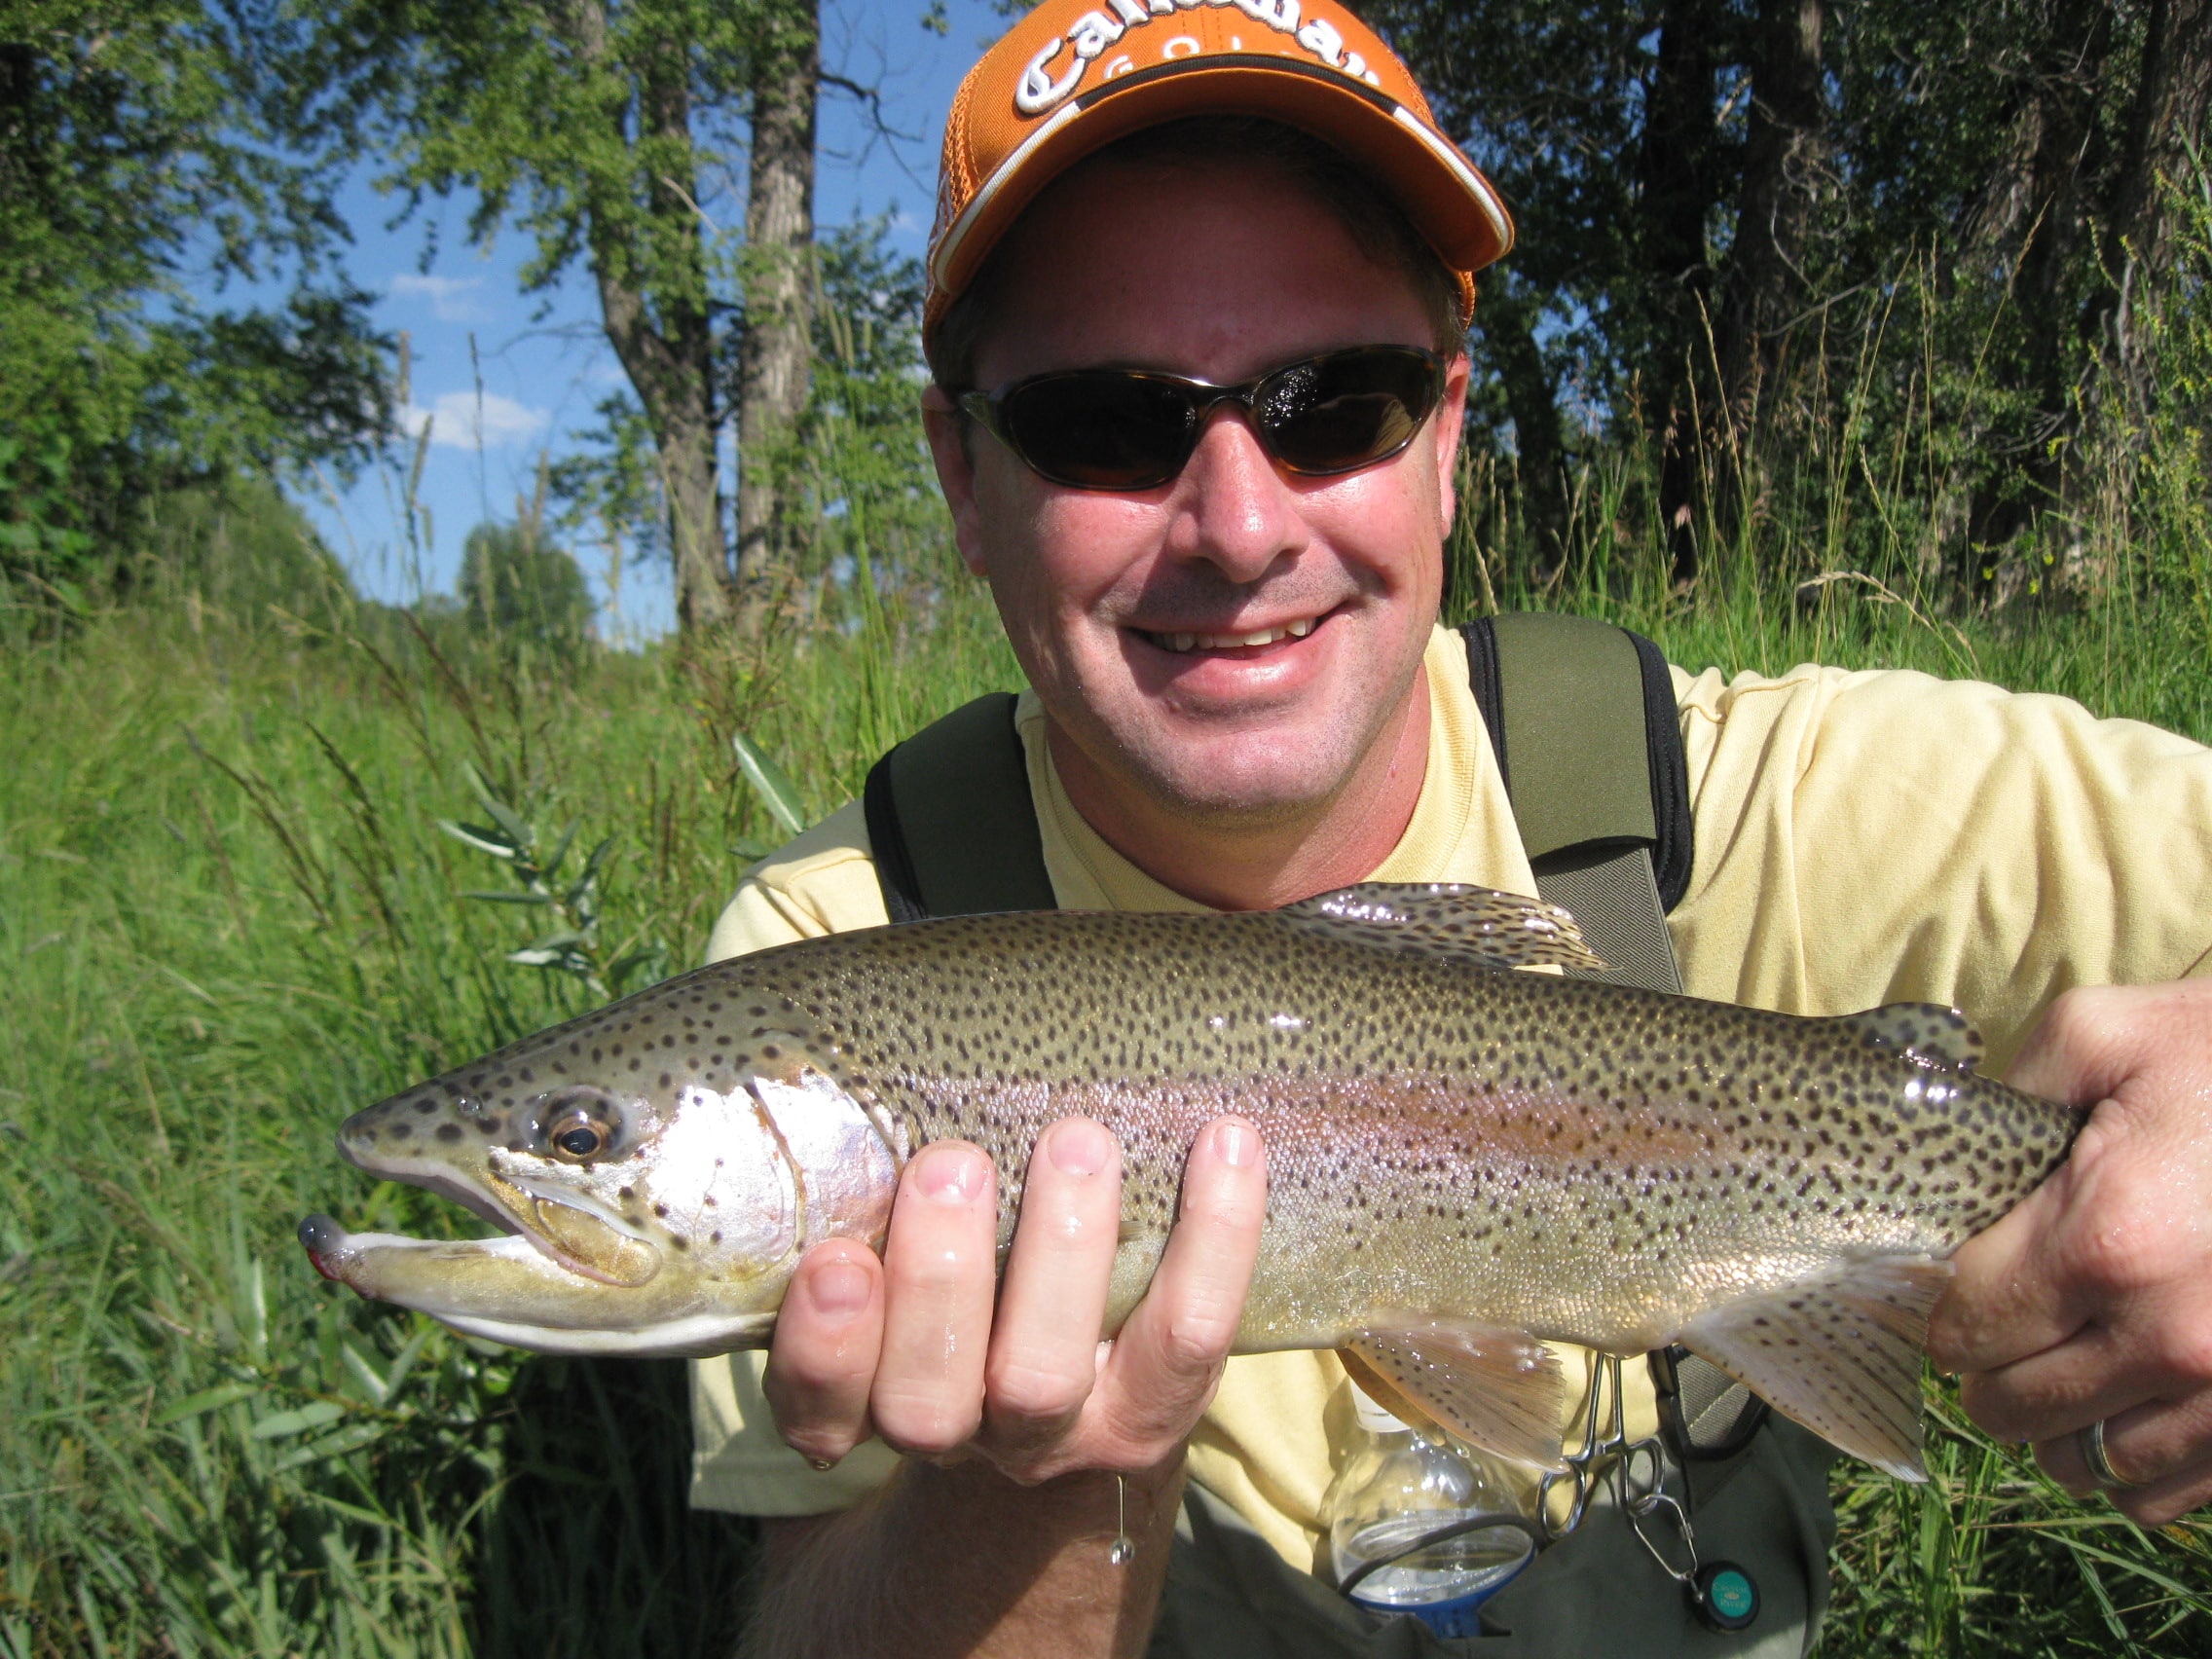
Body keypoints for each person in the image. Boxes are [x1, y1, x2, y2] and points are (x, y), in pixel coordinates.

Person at [690, 2, 2212, 1653]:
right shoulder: (842, 946)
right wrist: (1019, 1488)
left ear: (1449, 438)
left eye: (1336, 402)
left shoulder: (1745, 801)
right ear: (961, 478)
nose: (1240, 526)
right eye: (1110, 424)